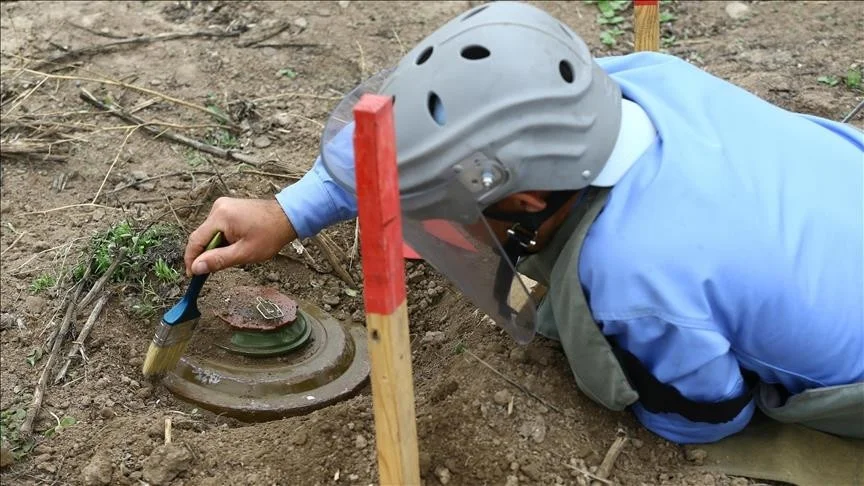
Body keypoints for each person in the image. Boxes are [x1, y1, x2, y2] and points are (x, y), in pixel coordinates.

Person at [184, 1, 864, 444]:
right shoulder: (646, 77)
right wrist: (290, 211)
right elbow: (435, 128)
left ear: (527, 201)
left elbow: (709, 415)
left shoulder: (632, 276)